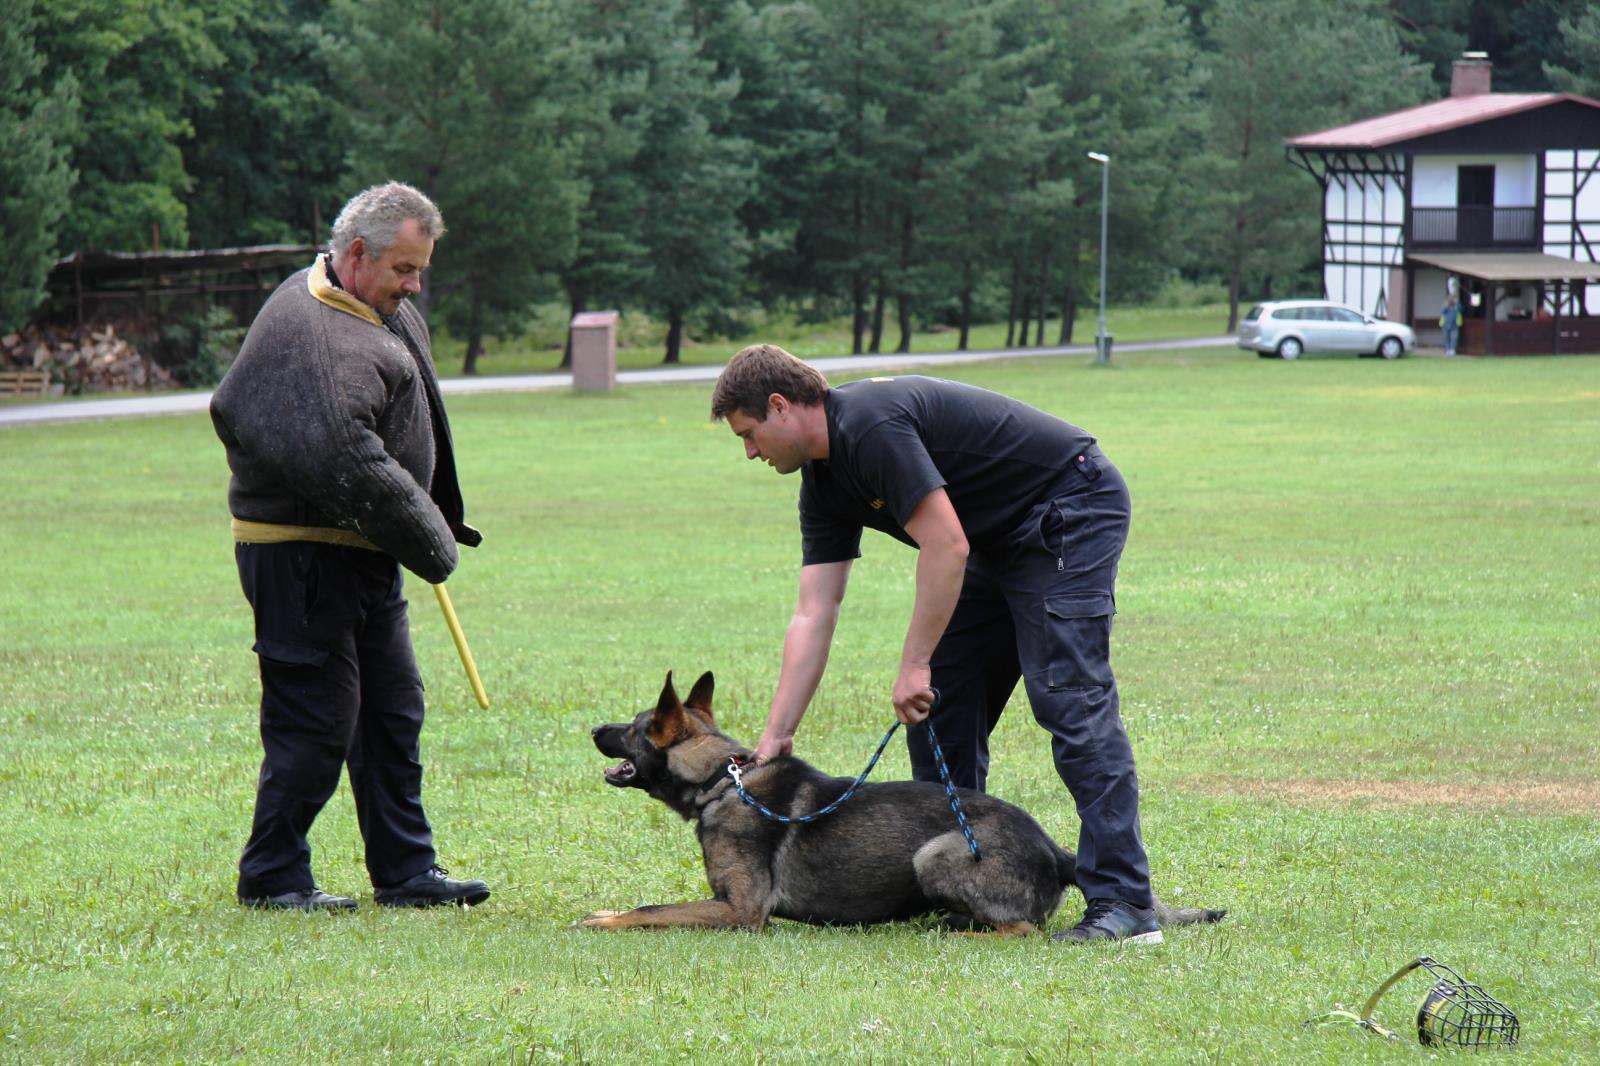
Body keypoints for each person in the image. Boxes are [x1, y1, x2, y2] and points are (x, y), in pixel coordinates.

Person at [710, 344, 1158, 944]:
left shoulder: (869, 426)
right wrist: (776, 735)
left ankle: (1124, 905)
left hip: (1066, 507)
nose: (749, 452)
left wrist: (914, 662)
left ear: (779, 405)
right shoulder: (822, 483)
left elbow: (945, 545)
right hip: (991, 538)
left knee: (1069, 703)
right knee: (938, 712)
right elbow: (815, 610)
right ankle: (977, 882)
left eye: (750, 434)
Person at [210, 181, 490, 911]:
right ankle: (271, 877)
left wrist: (420, 524)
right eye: (404, 269)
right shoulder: (312, 332)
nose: (415, 285)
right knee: (317, 718)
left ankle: (405, 871)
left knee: (392, 709)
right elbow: (346, 457)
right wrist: (432, 539)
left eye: (421, 268)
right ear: (357, 254)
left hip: (361, 549)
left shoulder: (372, 306)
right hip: (300, 553)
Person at [1440, 292, 1464, 356]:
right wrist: (1446, 305)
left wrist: (1457, 303)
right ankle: (1447, 350)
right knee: (1446, 338)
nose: (1451, 300)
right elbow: (1442, 311)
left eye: (1452, 299)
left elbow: (1461, 309)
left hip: (1455, 325)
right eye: (1450, 299)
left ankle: (1452, 350)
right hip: (1445, 324)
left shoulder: (1456, 306)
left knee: (1454, 338)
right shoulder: (1446, 306)